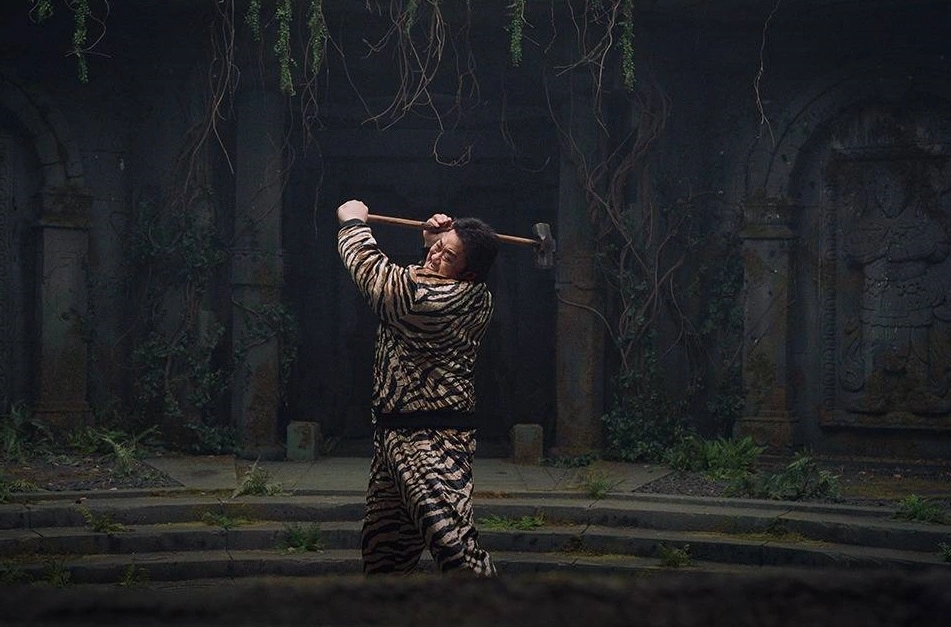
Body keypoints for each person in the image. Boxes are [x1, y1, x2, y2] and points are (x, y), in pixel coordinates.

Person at [336, 198, 500, 577]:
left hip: (431, 442)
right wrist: (434, 242)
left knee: (458, 553)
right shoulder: (466, 292)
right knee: (385, 556)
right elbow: (423, 278)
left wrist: (354, 224)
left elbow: (381, 283)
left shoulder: (436, 299)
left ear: (469, 275)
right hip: (392, 437)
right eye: (438, 248)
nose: (434, 256)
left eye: (447, 256)